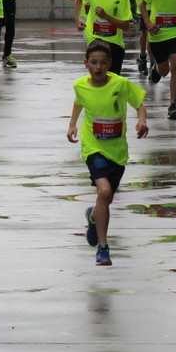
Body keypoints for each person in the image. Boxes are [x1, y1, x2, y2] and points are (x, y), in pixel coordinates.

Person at [67, 40, 147, 266]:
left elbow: (139, 104)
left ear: (110, 64)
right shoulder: (80, 85)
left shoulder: (121, 84)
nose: (98, 67)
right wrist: (72, 124)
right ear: (86, 63)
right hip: (93, 147)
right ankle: (103, 248)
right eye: (93, 62)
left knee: (106, 198)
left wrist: (142, 120)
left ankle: (93, 216)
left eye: (103, 62)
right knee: (104, 190)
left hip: (117, 152)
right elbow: (78, 101)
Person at [76, 0, 133, 76]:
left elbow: (125, 25)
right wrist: (78, 20)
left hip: (114, 44)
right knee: (97, 78)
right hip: (94, 40)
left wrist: (106, 16)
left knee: (112, 83)